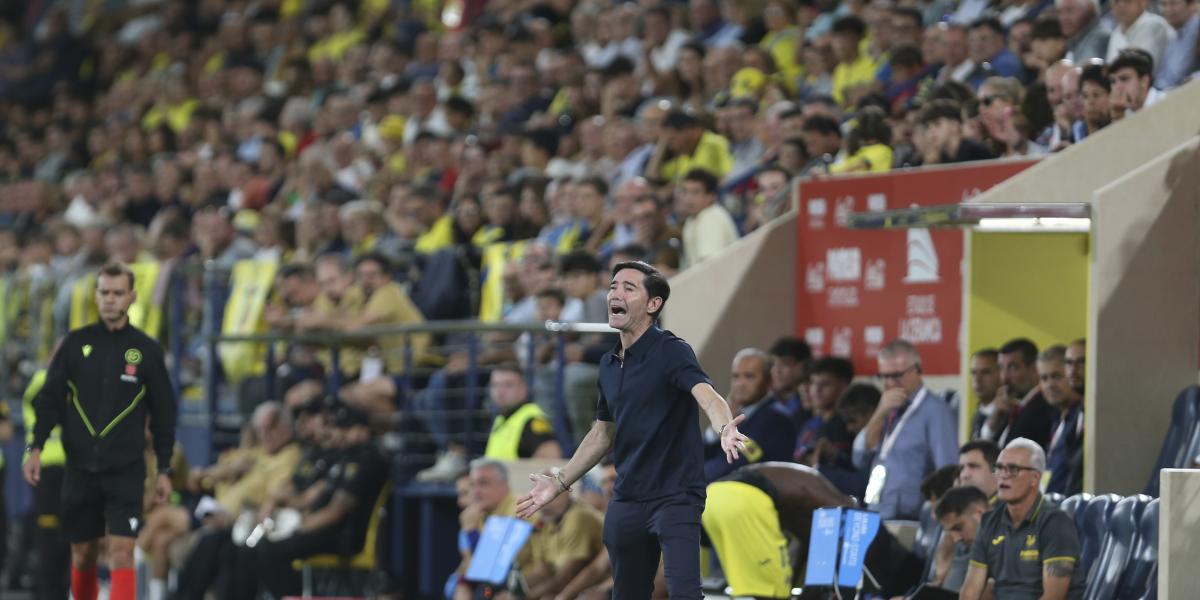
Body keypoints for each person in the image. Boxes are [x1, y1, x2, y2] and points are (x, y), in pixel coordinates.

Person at [517, 260, 748, 600]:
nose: (615, 292)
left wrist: (726, 427)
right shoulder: (609, 364)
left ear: (653, 304)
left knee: (685, 594)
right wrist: (561, 482)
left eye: (628, 287)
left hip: (675, 496)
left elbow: (708, 397)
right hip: (627, 500)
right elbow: (602, 434)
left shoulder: (671, 350)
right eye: (612, 286)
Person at [24, 262, 178, 600]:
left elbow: (164, 413)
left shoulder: (147, 351)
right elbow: (48, 399)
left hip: (125, 469)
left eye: (118, 293)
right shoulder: (75, 344)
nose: (110, 300)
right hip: (80, 469)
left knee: (122, 550)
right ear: (95, 296)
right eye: (105, 292)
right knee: (83, 553)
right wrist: (34, 447)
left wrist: (164, 469)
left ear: (132, 297)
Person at [702, 462, 924, 599]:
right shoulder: (836, 505)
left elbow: (799, 564)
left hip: (713, 496)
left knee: (758, 588)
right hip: (743, 500)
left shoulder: (807, 518)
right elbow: (849, 521)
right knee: (770, 592)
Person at [960, 438, 1086, 600]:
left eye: (1013, 469)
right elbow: (970, 592)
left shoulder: (1056, 523)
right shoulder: (988, 522)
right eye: (999, 468)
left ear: (1035, 478)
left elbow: (1054, 597)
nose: (1003, 475)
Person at [862, 339, 958, 520]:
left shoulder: (935, 412)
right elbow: (861, 454)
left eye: (897, 375)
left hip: (912, 516)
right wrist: (879, 413)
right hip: (878, 508)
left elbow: (947, 470)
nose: (890, 383)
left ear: (917, 370)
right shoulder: (887, 408)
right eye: (884, 376)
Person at [704, 348, 796, 482]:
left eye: (749, 376)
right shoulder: (738, 414)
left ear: (768, 380)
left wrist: (693, 478)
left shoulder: (776, 418)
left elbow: (734, 464)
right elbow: (700, 455)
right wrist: (719, 424)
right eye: (736, 376)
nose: (740, 384)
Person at [984, 338, 1056, 450]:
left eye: (1013, 367)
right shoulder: (1009, 408)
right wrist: (993, 423)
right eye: (1001, 368)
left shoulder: (1045, 407)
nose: (1004, 378)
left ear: (1034, 369)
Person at [482, 365, 563, 460]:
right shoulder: (501, 419)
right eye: (495, 385)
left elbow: (550, 457)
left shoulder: (533, 420)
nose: (500, 391)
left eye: (508, 385)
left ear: (523, 388)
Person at [1037, 346, 1084, 495]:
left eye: (1056, 376)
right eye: (1044, 378)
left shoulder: (1081, 418)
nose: (1050, 385)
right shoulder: (1057, 420)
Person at [932, 485, 991, 592]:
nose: (956, 539)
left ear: (980, 514)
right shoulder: (964, 547)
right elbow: (949, 590)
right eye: (950, 531)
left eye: (958, 528)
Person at [678, 168, 739, 270]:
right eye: (685, 191)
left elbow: (709, 267)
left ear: (711, 196)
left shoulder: (711, 217)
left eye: (695, 192)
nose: (688, 199)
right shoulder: (692, 220)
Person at [1157, 0, 1200, 89]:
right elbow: (1164, 78)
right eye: (1163, 4)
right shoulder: (1174, 36)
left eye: (1173, 3)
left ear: (1191, 5)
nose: (1168, 9)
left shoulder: (1197, 29)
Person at [968, 349, 1002, 440]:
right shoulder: (978, 415)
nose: (977, 379)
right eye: (973, 372)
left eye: (985, 372)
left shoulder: (1010, 415)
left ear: (1002, 374)